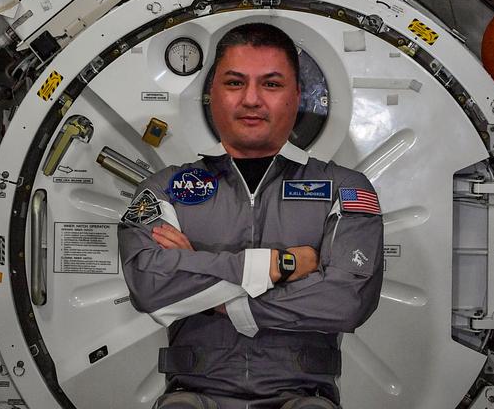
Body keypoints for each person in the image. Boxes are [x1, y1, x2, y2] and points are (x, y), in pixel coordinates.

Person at [118, 22, 385, 409]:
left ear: (297, 95)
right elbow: (150, 285)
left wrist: (213, 291)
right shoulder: (164, 189)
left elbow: (347, 300)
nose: (251, 99)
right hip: (191, 397)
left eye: (271, 84)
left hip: (304, 399)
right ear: (212, 92)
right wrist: (278, 266)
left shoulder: (344, 188)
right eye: (234, 83)